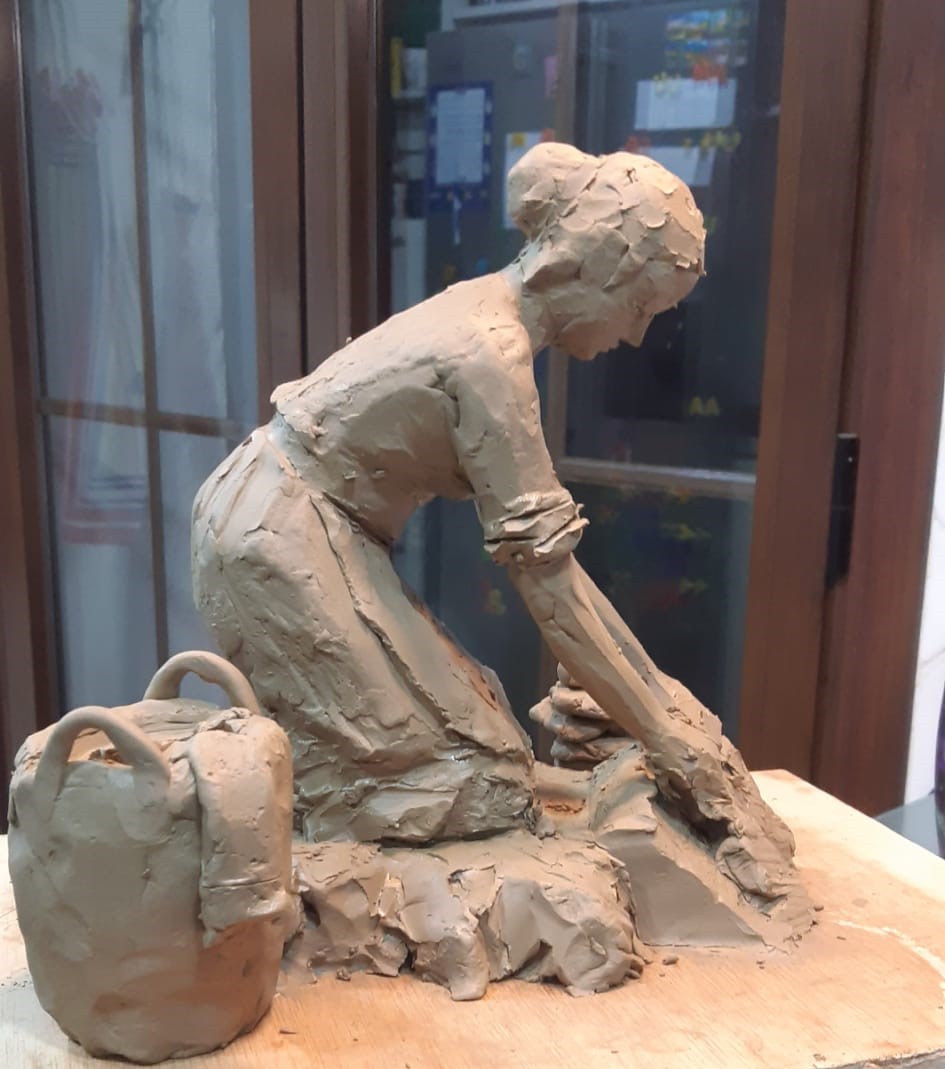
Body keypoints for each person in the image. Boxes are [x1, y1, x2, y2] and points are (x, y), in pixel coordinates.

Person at [192, 143, 794, 896]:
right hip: (272, 537)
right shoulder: (487, 354)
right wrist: (667, 735)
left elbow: (557, 575)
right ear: (588, 265)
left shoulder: (491, 319)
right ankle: (301, 888)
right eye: (640, 306)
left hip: (314, 526)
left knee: (487, 750)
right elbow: (551, 592)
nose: (636, 335)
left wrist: (659, 701)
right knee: (453, 782)